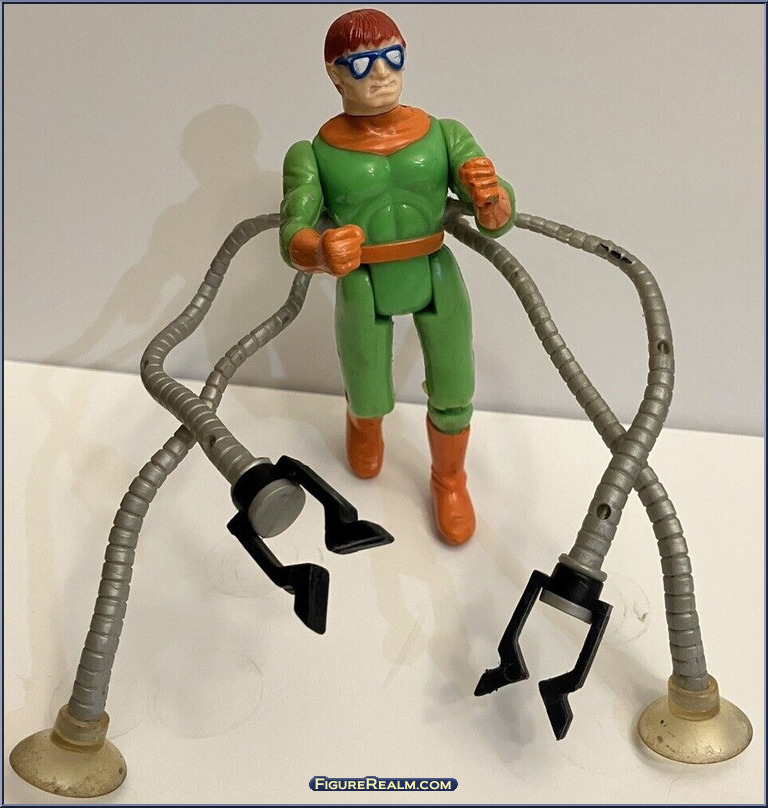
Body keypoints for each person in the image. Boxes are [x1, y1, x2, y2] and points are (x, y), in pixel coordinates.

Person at [279, 8, 514, 544]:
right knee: (367, 390)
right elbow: (292, 233)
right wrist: (321, 250)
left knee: (455, 387)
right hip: (363, 280)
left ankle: (449, 478)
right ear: (334, 75)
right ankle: (363, 423)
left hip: (433, 268)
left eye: (392, 56)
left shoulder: (444, 134)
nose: (382, 73)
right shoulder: (313, 154)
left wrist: (491, 198)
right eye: (362, 63)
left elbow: (498, 216)